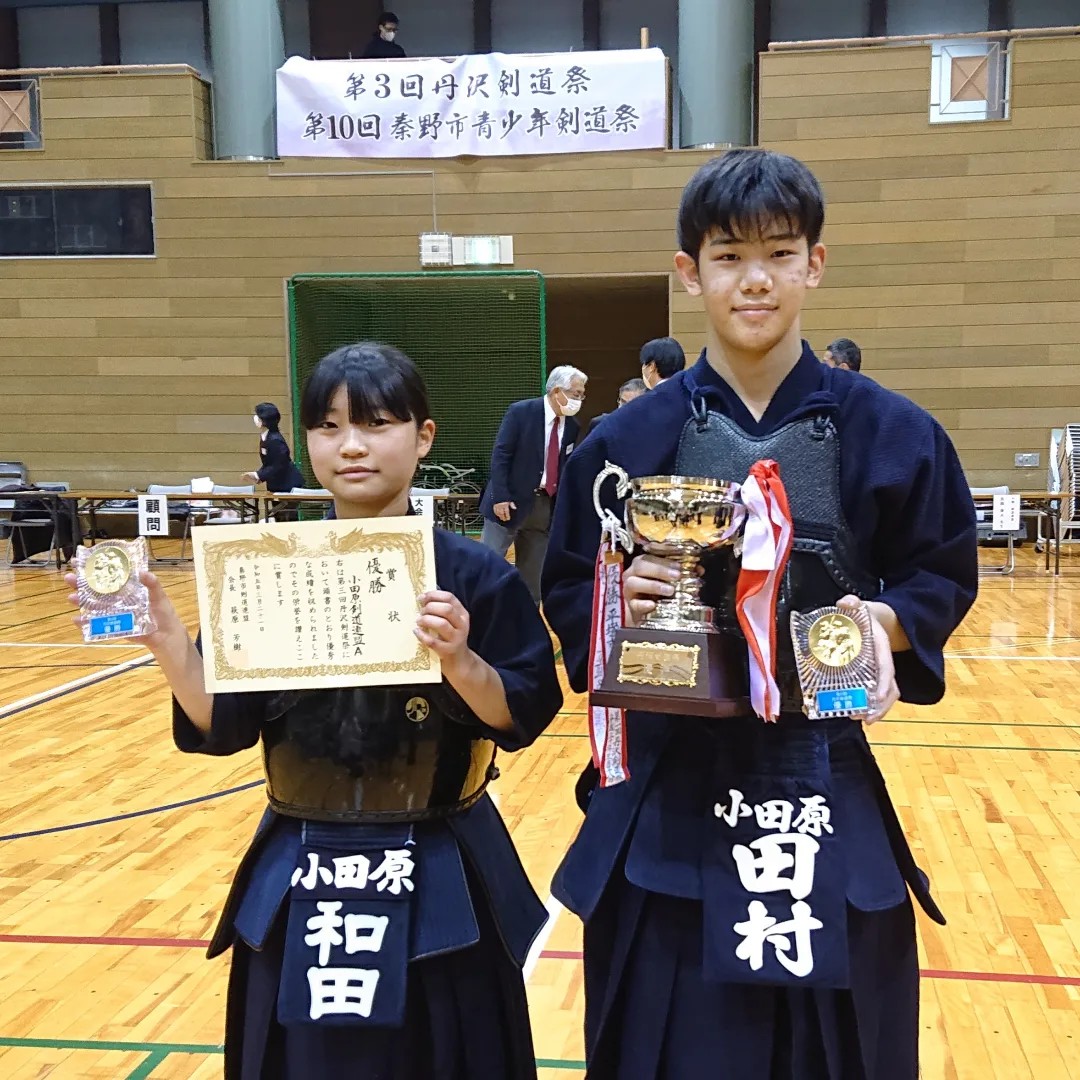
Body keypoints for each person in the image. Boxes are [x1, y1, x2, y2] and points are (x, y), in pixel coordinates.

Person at [540, 149, 977, 1078]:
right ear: (689, 272)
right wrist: (623, 603)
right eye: (729, 256)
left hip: (826, 776)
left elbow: (940, 573)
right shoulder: (624, 443)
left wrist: (878, 625)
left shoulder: (897, 433)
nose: (755, 280)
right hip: (667, 788)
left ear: (814, 264)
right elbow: (571, 584)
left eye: (779, 254)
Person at [71, 343, 562, 1079]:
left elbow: (518, 715)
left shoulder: (476, 576)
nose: (351, 445)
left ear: (423, 437)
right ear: (307, 441)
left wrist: (461, 661)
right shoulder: (263, 570)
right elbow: (223, 723)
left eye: (377, 424)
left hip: (440, 857)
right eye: (329, 427)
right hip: (302, 858)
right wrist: (167, 640)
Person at [480, 365, 585, 604]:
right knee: (488, 564)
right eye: (576, 393)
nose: (579, 400)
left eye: (581, 395)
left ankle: (527, 618)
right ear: (557, 391)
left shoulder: (572, 425)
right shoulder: (521, 412)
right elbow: (501, 455)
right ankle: (478, 613)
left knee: (533, 576)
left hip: (543, 506)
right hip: (508, 502)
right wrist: (500, 497)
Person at [244, 403, 305, 493]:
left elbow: (279, 463)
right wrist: (258, 475)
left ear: (265, 420)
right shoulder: (266, 436)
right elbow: (269, 462)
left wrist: (259, 475)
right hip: (277, 484)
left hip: (288, 485)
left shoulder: (275, 440)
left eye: (258, 416)